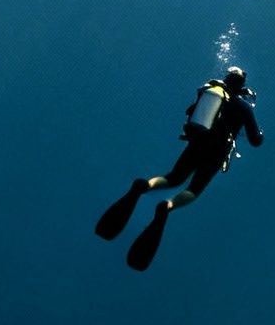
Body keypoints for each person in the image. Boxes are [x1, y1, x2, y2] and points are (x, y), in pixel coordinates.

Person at [95, 66, 265, 271]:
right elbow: (255, 140)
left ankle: (144, 185)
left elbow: (190, 114)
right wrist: (258, 134)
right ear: (242, 87)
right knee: (193, 190)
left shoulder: (209, 92)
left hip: (197, 144)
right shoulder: (243, 107)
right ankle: (167, 206)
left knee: (174, 178)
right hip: (216, 153)